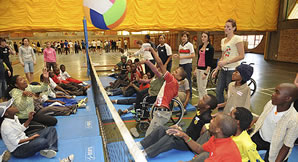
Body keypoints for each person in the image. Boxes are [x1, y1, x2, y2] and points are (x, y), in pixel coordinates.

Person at [137, 94, 217, 158]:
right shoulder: (200, 110)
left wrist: (184, 136)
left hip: (189, 143)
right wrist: (180, 129)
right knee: (162, 129)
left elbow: (200, 140)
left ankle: (146, 153)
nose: (200, 99)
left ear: (207, 106)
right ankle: (142, 144)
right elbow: (193, 128)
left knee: (171, 138)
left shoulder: (207, 119)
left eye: (203, 100)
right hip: (185, 134)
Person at [145, 47, 187, 137]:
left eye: (176, 72)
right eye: (174, 70)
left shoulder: (171, 80)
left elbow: (160, 63)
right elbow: (173, 98)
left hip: (161, 113)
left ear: (179, 78)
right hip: (163, 113)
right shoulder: (175, 85)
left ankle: (175, 129)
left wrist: (152, 50)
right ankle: (174, 128)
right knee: (156, 134)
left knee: (148, 136)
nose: (173, 72)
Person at [250, 83, 298, 162]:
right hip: (260, 137)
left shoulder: (294, 120)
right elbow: (263, 116)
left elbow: (286, 146)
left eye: (277, 92)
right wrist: (254, 121)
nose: (273, 94)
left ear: (288, 98)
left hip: (277, 146)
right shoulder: (271, 103)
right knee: (244, 150)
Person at [166, 113, 241, 162]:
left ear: (218, 130)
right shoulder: (217, 138)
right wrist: (184, 136)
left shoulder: (220, 153)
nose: (211, 121)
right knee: (205, 155)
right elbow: (199, 149)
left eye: (214, 120)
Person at [9, 68, 57, 134]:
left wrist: (45, 78)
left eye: (24, 78)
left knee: (53, 121)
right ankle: (23, 130)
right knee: (43, 128)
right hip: (24, 119)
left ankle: (33, 126)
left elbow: (43, 88)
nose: (24, 80)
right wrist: (24, 96)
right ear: (16, 85)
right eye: (21, 80)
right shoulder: (15, 93)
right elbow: (20, 108)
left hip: (32, 115)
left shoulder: (28, 87)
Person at [212, 19, 245, 103]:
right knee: (218, 91)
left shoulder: (237, 39)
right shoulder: (223, 40)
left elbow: (241, 55)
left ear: (234, 28)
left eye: (228, 27)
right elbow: (223, 56)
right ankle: (221, 112)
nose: (226, 28)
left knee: (230, 93)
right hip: (223, 70)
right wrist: (217, 69)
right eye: (225, 26)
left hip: (232, 70)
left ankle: (230, 112)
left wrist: (227, 62)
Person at [173, 31, 195, 98]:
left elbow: (193, 55)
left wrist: (182, 57)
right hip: (181, 64)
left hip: (187, 64)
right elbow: (180, 55)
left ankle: (189, 95)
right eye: (182, 36)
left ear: (187, 38)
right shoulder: (180, 46)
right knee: (180, 80)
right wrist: (177, 56)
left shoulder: (190, 45)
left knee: (188, 80)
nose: (183, 38)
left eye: (185, 36)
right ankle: (181, 93)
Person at [196, 32, 214, 100]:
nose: (203, 38)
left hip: (205, 70)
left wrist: (206, 72)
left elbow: (210, 62)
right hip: (199, 69)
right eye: (202, 36)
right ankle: (201, 102)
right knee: (199, 88)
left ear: (208, 38)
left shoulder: (210, 48)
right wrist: (196, 68)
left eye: (205, 37)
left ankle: (206, 102)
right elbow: (198, 58)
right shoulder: (200, 46)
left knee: (203, 88)